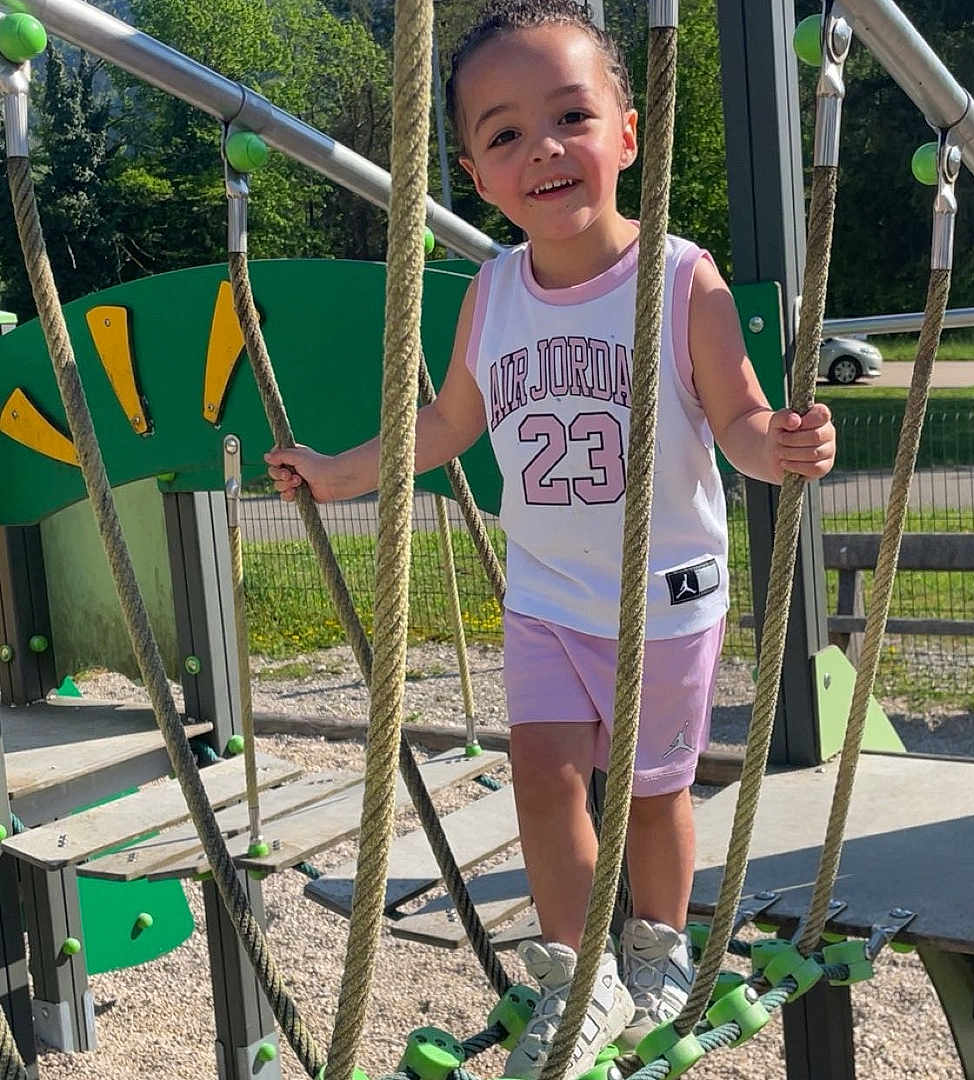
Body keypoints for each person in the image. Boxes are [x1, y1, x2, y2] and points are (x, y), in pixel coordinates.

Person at [266, 2, 836, 1075]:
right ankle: (583, 972)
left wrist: (785, 447)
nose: (545, 149)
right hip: (542, 598)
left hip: (661, 597)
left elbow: (741, 423)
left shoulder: (680, 279)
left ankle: (660, 944)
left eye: (571, 115)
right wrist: (339, 471)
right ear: (477, 177)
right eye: (505, 134)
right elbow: (445, 426)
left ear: (627, 132)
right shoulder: (493, 292)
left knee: (655, 790)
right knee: (540, 772)